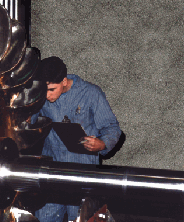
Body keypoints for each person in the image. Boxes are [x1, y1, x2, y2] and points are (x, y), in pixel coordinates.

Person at [31, 56, 121, 222]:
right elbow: (28, 123)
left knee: (82, 218)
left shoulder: (91, 93)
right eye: (44, 90)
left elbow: (112, 128)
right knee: (44, 218)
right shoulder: (41, 95)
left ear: (64, 81)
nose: (47, 96)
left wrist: (102, 144)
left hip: (83, 169)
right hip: (52, 168)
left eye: (52, 89)